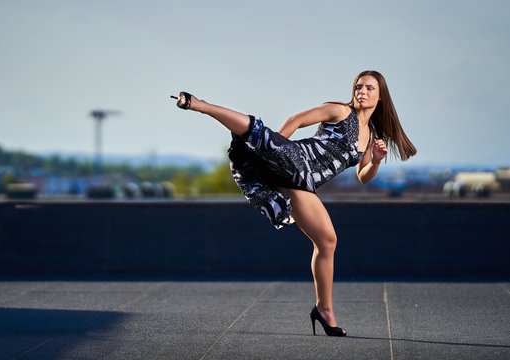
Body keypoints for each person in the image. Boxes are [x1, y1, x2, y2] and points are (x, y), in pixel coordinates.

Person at [171, 70, 417, 337]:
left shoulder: (370, 137)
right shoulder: (339, 111)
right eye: (359, 86)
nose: (362, 92)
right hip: (296, 160)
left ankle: (323, 309)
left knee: (327, 242)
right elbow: (296, 120)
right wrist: (273, 151)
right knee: (259, 133)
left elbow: (363, 177)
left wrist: (377, 160)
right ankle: (200, 104)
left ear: (380, 97)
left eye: (369, 88)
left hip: (306, 183)